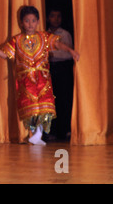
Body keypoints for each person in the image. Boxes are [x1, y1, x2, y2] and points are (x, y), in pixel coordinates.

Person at [0, 6, 79, 145]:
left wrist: (71, 51)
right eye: (27, 21)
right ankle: (36, 132)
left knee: (44, 107)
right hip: (26, 80)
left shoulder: (44, 37)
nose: (30, 24)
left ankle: (39, 133)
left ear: (38, 21)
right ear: (21, 23)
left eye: (33, 21)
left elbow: (58, 44)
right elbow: (6, 54)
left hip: (42, 78)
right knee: (31, 108)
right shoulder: (17, 40)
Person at [47, 8, 74, 140]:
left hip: (63, 68)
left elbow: (68, 53)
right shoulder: (44, 34)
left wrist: (51, 52)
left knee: (64, 99)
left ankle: (66, 130)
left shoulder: (65, 34)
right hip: (49, 68)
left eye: (58, 16)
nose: (56, 19)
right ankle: (52, 131)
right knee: (51, 100)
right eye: (52, 16)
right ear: (48, 18)